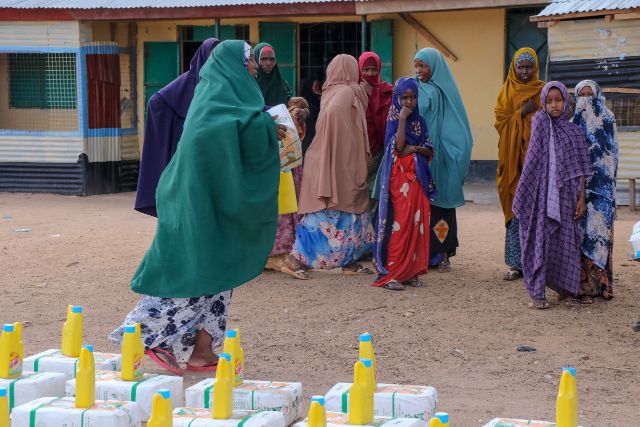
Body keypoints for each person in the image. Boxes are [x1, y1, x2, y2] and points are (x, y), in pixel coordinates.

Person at [110, 40, 281, 374]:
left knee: (220, 273)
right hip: (196, 208)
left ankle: (202, 351)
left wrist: (267, 130)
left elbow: (243, 139)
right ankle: (145, 337)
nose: (253, 68)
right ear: (233, 66)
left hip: (213, 206)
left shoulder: (226, 104)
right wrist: (266, 130)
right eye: (248, 61)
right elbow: (226, 144)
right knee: (188, 272)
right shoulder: (215, 110)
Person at [286, 54, 375, 276]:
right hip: (339, 160)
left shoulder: (336, 91)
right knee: (331, 212)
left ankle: (348, 263)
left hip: (330, 158)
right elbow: (336, 116)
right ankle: (298, 261)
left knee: (340, 211)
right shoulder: (346, 92)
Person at [513, 81, 592, 309]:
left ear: (566, 102)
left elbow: (582, 171)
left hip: (568, 197)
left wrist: (581, 198)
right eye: (549, 101)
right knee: (541, 239)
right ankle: (538, 293)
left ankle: (567, 290)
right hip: (542, 195)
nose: (554, 105)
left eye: (558, 100)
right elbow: (532, 161)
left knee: (568, 243)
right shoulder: (540, 123)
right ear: (543, 103)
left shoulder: (574, 132)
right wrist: (523, 194)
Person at [135, 38, 220, 217]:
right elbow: (157, 102)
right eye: (212, 55)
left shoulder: (223, 86)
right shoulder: (187, 84)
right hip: (189, 158)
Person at [372, 77, 435, 291]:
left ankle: (410, 271)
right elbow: (398, 147)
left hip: (418, 177)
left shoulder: (421, 121)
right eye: (404, 98)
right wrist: (402, 120)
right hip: (399, 180)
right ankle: (392, 273)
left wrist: (414, 149)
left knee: (417, 223)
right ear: (397, 98)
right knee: (400, 223)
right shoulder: (393, 119)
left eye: (413, 97)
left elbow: (429, 149)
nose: (408, 102)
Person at [414, 48, 473, 272]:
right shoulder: (413, 88)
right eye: (417, 65)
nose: (419, 70)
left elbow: (457, 127)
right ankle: (419, 254)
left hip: (439, 157)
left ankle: (441, 254)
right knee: (418, 206)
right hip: (417, 155)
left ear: (434, 66)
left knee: (440, 205)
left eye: (424, 65)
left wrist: (451, 153)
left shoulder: (445, 91)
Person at [495, 48, 545, 281]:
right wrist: (520, 114)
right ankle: (516, 264)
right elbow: (501, 122)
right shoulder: (506, 93)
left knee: (537, 212)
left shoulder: (544, 91)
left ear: (535, 68)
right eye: (520, 67)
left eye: (529, 67)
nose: (524, 72)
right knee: (516, 210)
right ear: (513, 68)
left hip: (537, 162)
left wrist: (533, 115)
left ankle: (537, 263)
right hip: (513, 162)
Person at [572, 80, 618, 302]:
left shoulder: (608, 119)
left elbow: (612, 157)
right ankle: (583, 288)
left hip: (603, 192)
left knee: (600, 237)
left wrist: (607, 190)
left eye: (591, 95)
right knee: (581, 237)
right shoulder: (572, 124)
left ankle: (602, 287)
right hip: (579, 192)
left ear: (598, 96)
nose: (587, 100)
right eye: (582, 95)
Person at [265, 97, 311, 279]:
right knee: (280, 209)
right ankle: (275, 255)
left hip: (289, 165)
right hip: (273, 165)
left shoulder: (283, 90)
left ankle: (286, 253)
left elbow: (296, 136)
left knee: (290, 208)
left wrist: (300, 116)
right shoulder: (255, 102)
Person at [358, 52, 394, 203]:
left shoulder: (388, 91)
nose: (370, 74)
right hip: (357, 151)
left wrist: (373, 95)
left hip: (378, 152)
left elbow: (387, 123)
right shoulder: (353, 91)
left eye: (374, 70)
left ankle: (373, 226)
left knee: (374, 193)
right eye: (366, 70)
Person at [300, 73, 323, 154]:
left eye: (317, 86)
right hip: (307, 143)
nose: (315, 89)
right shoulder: (303, 105)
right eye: (313, 86)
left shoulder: (322, 100)